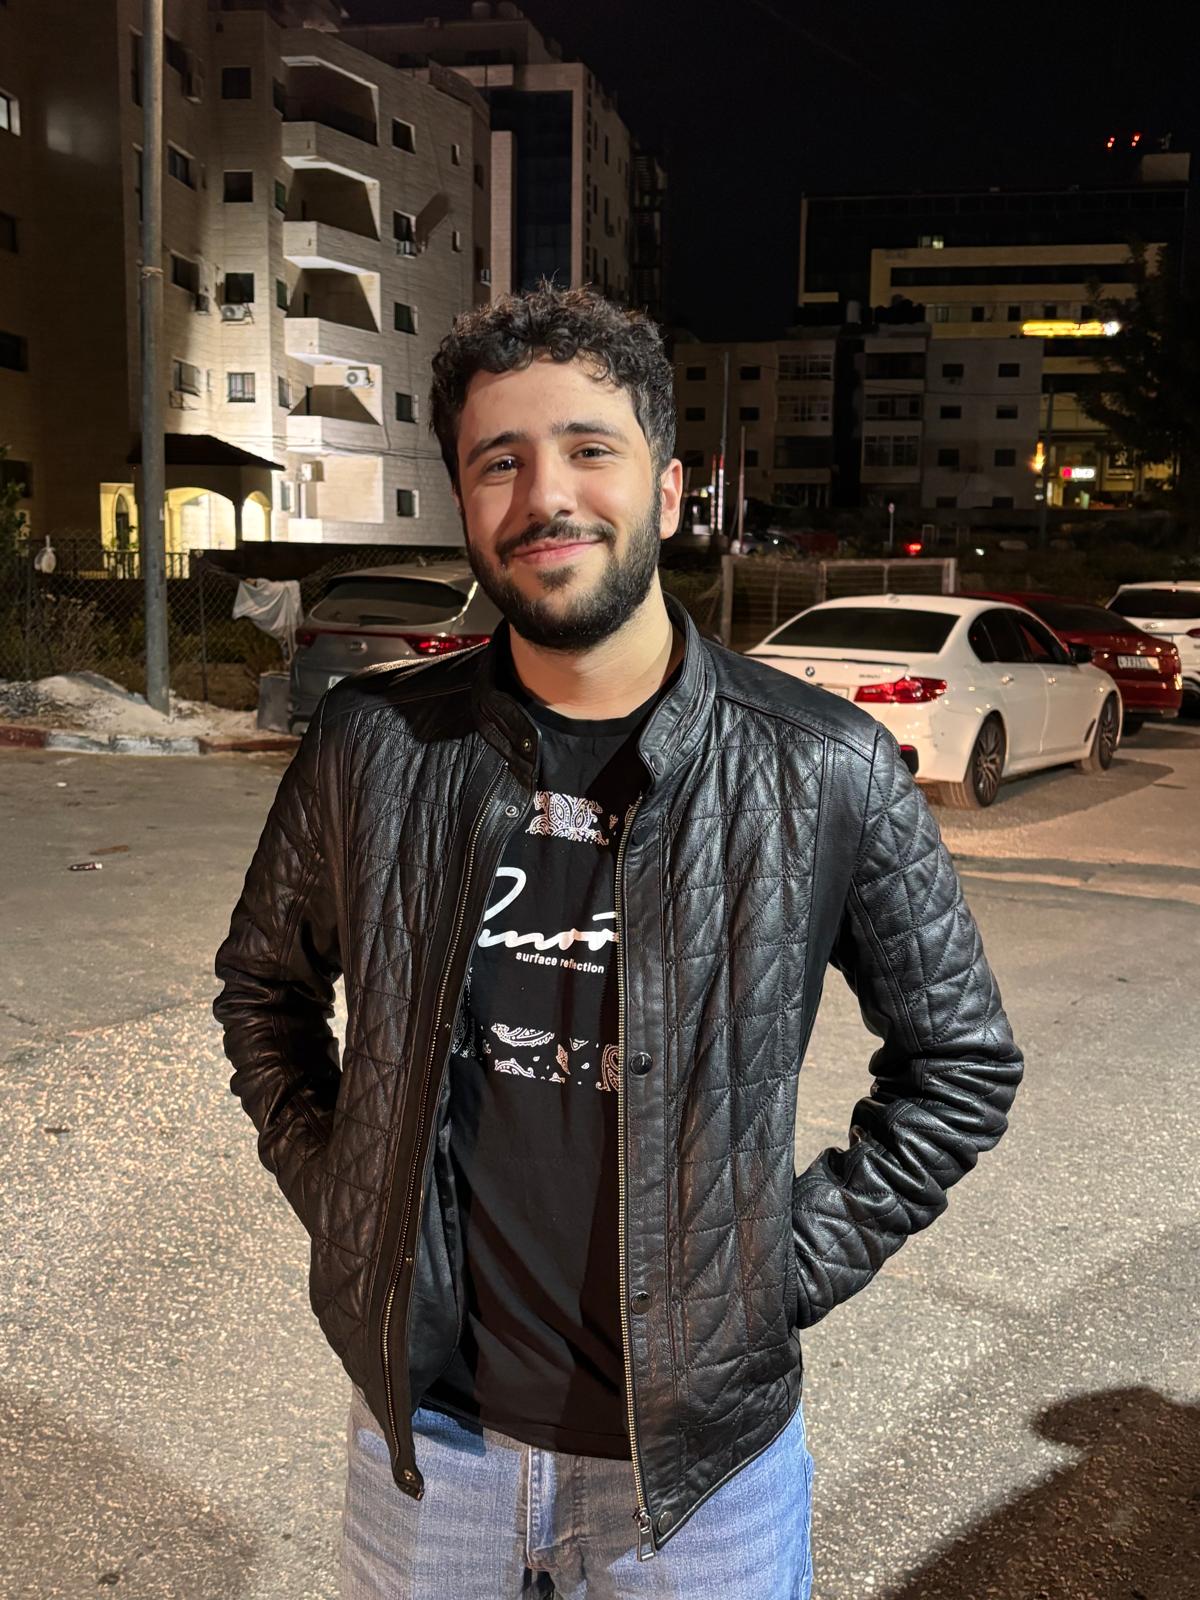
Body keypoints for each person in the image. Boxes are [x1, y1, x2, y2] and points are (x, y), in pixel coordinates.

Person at [214, 284, 1024, 1599]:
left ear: (669, 487)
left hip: (702, 1482)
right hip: (429, 1452)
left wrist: (771, 1276)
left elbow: (960, 1065)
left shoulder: (823, 767)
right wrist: (351, 1200)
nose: (546, 495)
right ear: (466, 502)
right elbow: (263, 992)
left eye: (589, 447)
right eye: (500, 461)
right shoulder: (375, 742)